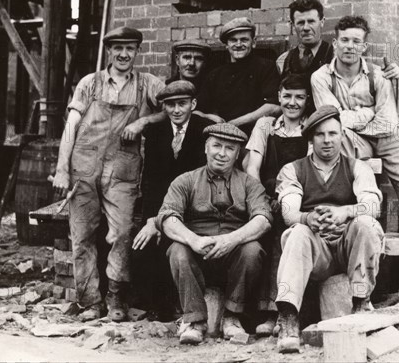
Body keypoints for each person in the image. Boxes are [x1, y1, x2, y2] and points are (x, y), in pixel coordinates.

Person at [311, 16, 399, 286]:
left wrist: (353, 116)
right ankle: (351, 231)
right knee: (342, 144)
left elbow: (388, 121)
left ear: (364, 47)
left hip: (387, 134)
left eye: (357, 41)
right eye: (345, 40)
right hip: (354, 137)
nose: (350, 47)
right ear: (335, 43)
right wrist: (367, 113)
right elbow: (332, 118)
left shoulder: (379, 75)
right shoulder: (321, 78)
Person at [52, 26, 165, 322]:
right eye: (118, 48)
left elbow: (172, 109)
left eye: (130, 48)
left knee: (123, 233)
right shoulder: (90, 83)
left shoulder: (148, 84)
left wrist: (143, 122)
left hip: (123, 170)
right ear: (109, 51)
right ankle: (90, 301)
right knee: (82, 236)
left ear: (137, 52)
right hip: (84, 167)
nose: (124, 54)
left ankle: (116, 298)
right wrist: (62, 169)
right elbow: (71, 126)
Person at [275, 105, 384, 353]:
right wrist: (307, 218)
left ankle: (360, 302)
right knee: (297, 232)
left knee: (366, 224)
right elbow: (289, 212)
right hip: (317, 252)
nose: (327, 140)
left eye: (333, 134)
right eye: (320, 134)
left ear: (342, 135)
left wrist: (346, 212)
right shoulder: (294, 169)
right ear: (311, 139)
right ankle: (289, 317)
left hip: (348, 249)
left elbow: (372, 205)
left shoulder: (357, 167)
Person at [157, 123, 273, 345]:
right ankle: (195, 321)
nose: (222, 153)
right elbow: (167, 217)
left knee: (253, 250)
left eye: (230, 148)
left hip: (234, 255)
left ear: (238, 154)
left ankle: (232, 316)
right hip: (197, 253)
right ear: (205, 148)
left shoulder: (250, 184)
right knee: (177, 250)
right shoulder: (186, 180)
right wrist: (194, 240)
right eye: (216, 146)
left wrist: (231, 240)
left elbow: (264, 219)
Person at [131, 80, 213, 319]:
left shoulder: (204, 130)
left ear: (193, 104)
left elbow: (202, 180)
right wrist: (151, 221)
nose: (176, 110)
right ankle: (158, 307)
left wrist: (167, 219)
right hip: (164, 210)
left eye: (182, 104)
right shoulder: (156, 132)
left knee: (180, 245)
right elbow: (151, 182)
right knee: (144, 243)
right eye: (170, 105)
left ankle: (184, 304)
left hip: (196, 209)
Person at [242, 73, 312, 336]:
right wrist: (260, 200)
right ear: (279, 97)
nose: (292, 103)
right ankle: (248, 312)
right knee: (258, 230)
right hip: (264, 195)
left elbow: (308, 171)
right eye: (287, 96)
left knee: (282, 233)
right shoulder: (265, 125)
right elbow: (252, 168)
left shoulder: (311, 128)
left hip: (297, 196)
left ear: (307, 100)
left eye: (299, 97)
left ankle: (278, 313)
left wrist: (287, 201)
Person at [277, 0, 399, 83]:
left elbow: (365, 75)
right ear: (293, 25)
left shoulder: (340, 54)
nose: (306, 28)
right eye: (300, 23)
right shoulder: (282, 61)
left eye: (311, 21)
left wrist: (390, 72)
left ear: (322, 22)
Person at [196, 17, 281, 135]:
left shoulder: (266, 67)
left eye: (244, 40)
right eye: (233, 40)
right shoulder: (215, 75)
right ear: (226, 45)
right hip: (222, 135)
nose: (238, 44)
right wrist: (211, 117)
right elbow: (197, 110)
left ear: (254, 42)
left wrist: (235, 123)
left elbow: (274, 107)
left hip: (256, 135)